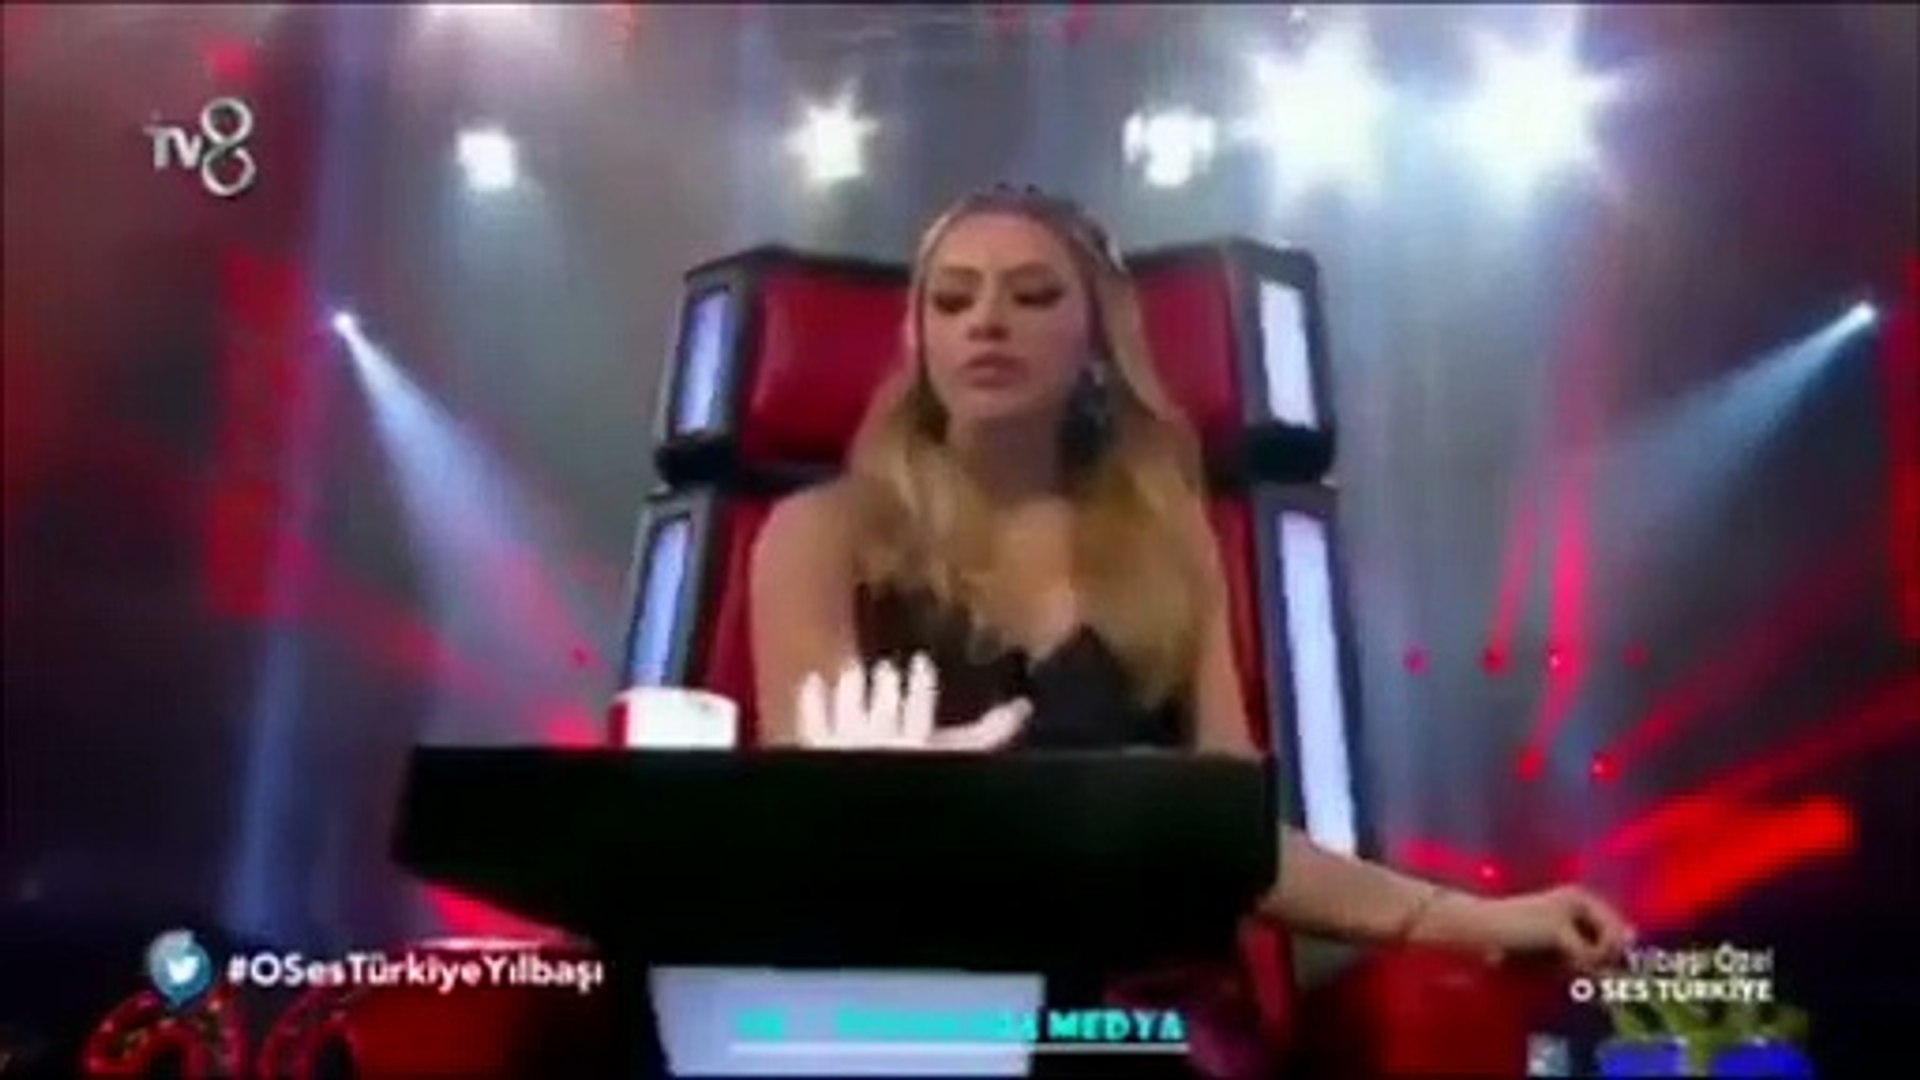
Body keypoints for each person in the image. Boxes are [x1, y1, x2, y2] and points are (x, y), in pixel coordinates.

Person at [748, 184, 1634, 1073]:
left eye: (1033, 295)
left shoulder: (1167, 543)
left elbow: (1236, 843)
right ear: (919, 339)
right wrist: (904, 804)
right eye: (952, 299)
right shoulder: (822, 534)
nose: (986, 322)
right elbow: (803, 814)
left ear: (1097, 338)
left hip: (1140, 1010)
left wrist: (1466, 918)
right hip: (930, 1002)